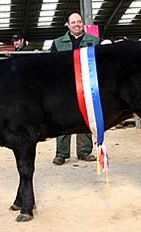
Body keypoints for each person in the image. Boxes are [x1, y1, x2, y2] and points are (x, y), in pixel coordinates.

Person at [51, 12, 100, 165]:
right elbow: (51, 66)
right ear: (68, 25)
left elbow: (101, 64)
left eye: (79, 22)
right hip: (64, 87)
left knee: (86, 117)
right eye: (73, 22)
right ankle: (61, 153)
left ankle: (84, 151)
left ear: (83, 23)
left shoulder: (94, 41)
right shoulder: (58, 43)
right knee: (61, 119)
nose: (77, 24)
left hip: (87, 86)